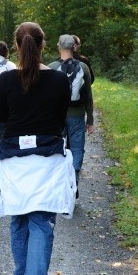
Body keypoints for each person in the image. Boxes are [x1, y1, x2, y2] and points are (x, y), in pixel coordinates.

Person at [0, 22, 75, 275]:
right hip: (47, 158)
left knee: (19, 216)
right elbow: (61, 117)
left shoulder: (7, 80)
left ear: (17, 46)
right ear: (43, 46)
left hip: (14, 159)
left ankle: (22, 273)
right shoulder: (60, 80)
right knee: (40, 221)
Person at [49, 34, 94, 196]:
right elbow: (88, 95)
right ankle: (73, 183)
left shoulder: (52, 67)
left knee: (57, 148)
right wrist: (90, 119)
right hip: (77, 115)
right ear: (74, 47)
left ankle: (58, 184)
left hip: (56, 118)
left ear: (59, 47)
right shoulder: (83, 67)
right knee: (76, 149)